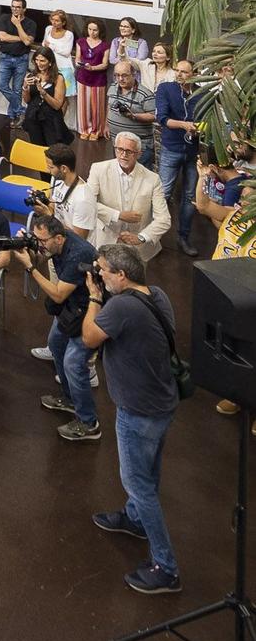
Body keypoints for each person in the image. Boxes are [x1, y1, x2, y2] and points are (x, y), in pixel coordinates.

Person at [81, 245, 181, 593]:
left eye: (104, 270)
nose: (100, 274)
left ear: (121, 275)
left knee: (139, 484)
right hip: (161, 403)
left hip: (138, 411)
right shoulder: (157, 295)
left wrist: (95, 297)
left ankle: (166, 567)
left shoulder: (120, 305)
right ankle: (135, 519)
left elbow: (89, 337)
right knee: (148, 475)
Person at [10, 212, 100, 440]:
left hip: (90, 311)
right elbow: (43, 257)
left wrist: (30, 268)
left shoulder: (78, 254)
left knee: (73, 363)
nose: (40, 244)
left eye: (42, 241)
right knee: (56, 345)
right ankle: (70, 400)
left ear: (58, 238)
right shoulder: (55, 245)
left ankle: (89, 423)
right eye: (36, 239)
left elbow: (58, 295)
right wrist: (31, 251)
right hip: (72, 309)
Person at [84, 133, 171, 261]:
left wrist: (141, 237)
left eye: (129, 151)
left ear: (139, 154)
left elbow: (164, 219)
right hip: (105, 240)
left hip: (138, 248)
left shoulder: (153, 179)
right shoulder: (98, 169)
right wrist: (118, 215)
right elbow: (88, 204)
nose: (123, 155)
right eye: (120, 149)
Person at [154, 59, 202, 255]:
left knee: (190, 197)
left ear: (194, 74)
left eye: (184, 72)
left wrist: (199, 129)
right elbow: (162, 118)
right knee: (163, 193)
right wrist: (185, 125)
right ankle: (153, 237)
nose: (179, 74)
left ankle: (183, 237)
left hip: (193, 151)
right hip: (171, 148)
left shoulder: (201, 93)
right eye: (177, 70)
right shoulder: (166, 88)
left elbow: (205, 118)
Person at [75, 19, 111, 138]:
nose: (92, 32)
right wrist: (79, 64)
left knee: (97, 106)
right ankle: (84, 129)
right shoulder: (81, 41)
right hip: (83, 76)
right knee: (83, 105)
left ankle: (96, 130)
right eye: (90, 29)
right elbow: (78, 58)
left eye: (95, 30)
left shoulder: (105, 45)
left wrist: (93, 68)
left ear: (100, 31)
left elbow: (105, 64)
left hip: (98, 78)